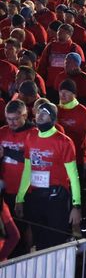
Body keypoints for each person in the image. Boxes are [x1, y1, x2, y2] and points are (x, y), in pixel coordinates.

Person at [14, 101, 81, 250]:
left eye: (44, 113)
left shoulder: (64, 141)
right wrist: (20, 198)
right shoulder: (30, 136)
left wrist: (77, 205)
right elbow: (27, 170)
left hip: (57, 198)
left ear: (53, 119)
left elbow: (73, 176)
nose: (39, 115)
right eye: (38, 112)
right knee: (39, 242)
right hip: (36, 197)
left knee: (56, 243)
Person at [0, 100, 37, 256]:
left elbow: (33, 159)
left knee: (26, 224)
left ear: (25, 115)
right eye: (9, 119)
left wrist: (7, 152)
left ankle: (27, 255)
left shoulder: (34, 132)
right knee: (10, 227)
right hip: (5, 187)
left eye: (15, 119)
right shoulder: (2, 131)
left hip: (27, 189)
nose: (12, 123)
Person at [57, 79, 86, 189]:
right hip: (60, 159)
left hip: (78, 159)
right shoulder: (56, 110)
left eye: (67, 92)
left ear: (74, 94)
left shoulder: (83, 112)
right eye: (61, 91)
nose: (63, 94)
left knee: (78, 189)